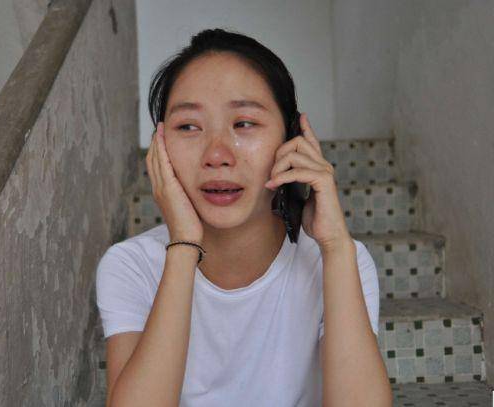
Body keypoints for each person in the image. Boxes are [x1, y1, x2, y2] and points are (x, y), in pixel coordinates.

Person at [96, 28, 392, 407]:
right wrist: (183, 244)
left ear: (291, 140)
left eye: (244, 124)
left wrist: (336, 247)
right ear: (160, 148)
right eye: (188, 127)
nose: (217, 155)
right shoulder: (130, 265)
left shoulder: (336, 260)